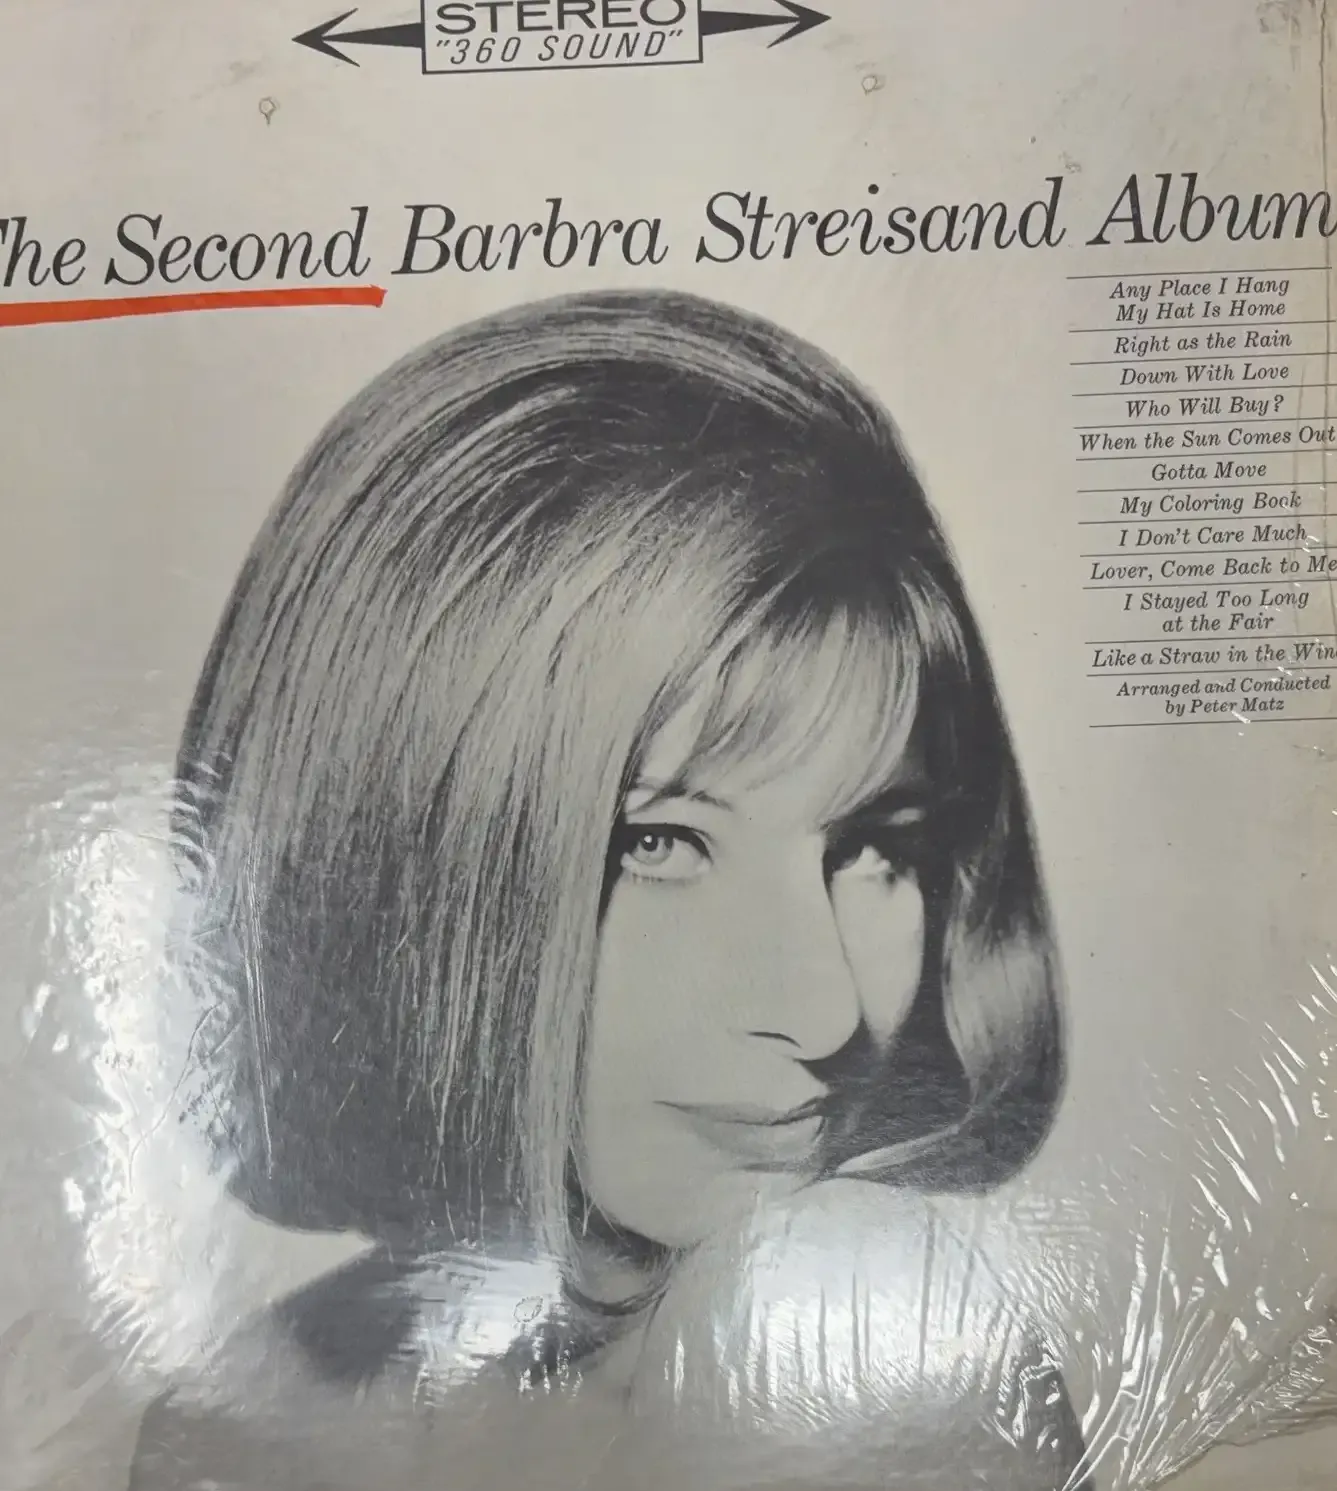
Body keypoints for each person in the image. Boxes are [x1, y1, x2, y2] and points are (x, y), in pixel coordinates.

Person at [129, 289, 1090, 1489]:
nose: (824, 1012)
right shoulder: (230, 1441)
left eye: (869, 849)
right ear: (399, 869)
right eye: (659, 844)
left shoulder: (920, 1391)